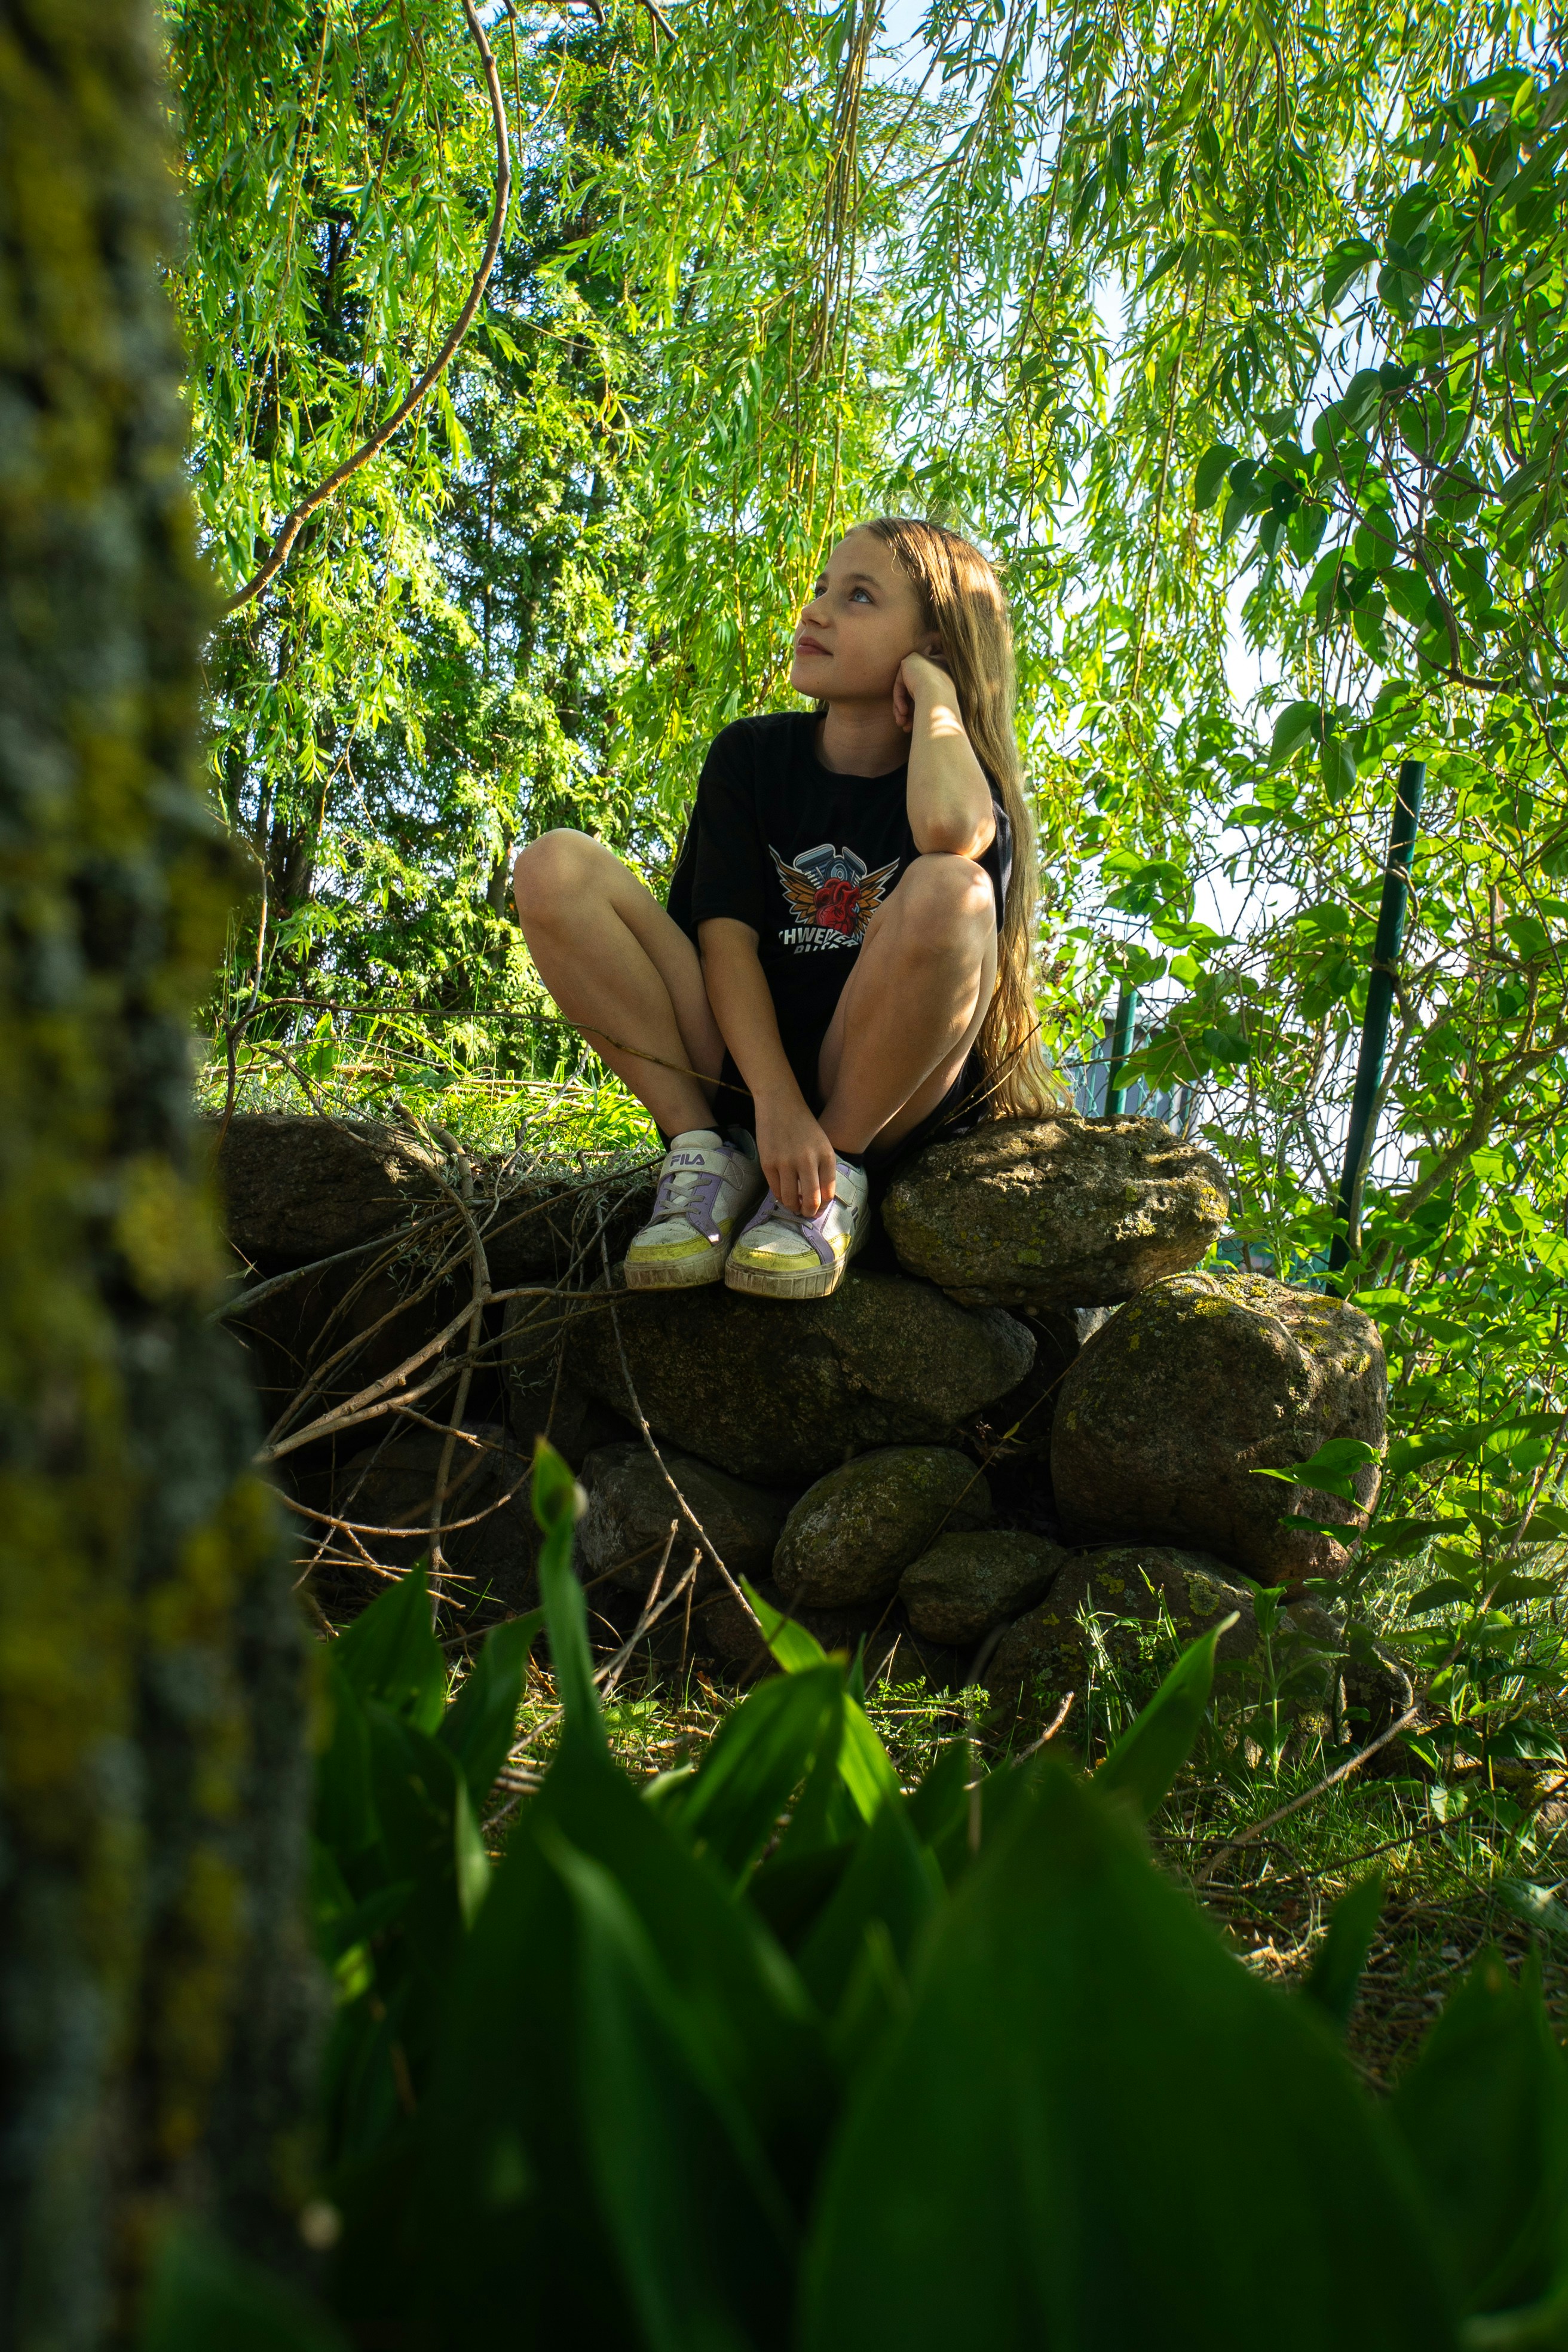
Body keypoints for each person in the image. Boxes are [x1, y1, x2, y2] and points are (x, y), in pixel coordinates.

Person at [512, 515, 1051, 1301]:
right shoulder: (752, 757)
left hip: (870, 1088)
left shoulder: (961, 792)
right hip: (738, 1064)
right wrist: (773, 1105)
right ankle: (703, 1159)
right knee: (554, 864)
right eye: (824, 587)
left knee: (954, 888)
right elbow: (723, 940)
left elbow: (949, 834)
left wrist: (935, 694)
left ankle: (828, 1187)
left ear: (931, 641)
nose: (817, 610)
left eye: (859, 596)